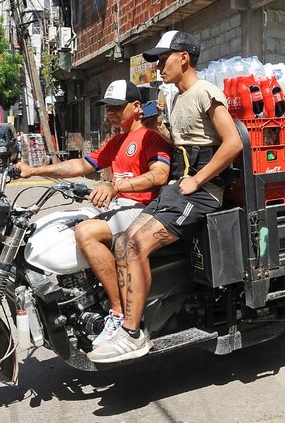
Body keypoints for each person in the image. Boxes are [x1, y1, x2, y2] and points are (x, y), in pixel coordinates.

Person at [89, 30, 243, 363]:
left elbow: (233, 143)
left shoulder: (206, 92)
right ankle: (127, 322)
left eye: (163, 58)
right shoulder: (174, 97)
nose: (159, 66)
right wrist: (158, 126)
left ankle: (132, 333)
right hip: (179, 188)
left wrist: (197, 180)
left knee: (133, 244)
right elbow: (179, 145)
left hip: (201, 193)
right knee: (121, 242)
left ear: (183, 58)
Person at [14, 80, 172, 348]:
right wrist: (35, 171)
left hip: (142, 209)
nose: (111, 112)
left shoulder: (150, 138)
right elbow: (82, 164)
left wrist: (115, 186)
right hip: (119, 206)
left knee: (85, 232)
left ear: (136, 107)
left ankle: (117, 313)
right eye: (108, 108)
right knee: (58, 225)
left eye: (117, 107)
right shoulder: (118, 141)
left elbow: (160, 174)